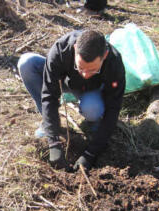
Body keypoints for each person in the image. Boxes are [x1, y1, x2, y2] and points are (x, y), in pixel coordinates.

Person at [17, 30, 126, 171]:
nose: (85, 74)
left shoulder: (114, 63)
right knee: (27, 63)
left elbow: (113, 108)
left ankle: (93, 121)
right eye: (80, 68)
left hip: (91, 90)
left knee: (92, 108)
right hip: (66, 81)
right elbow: (49, 95)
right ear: (75, 49)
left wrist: (91, 153)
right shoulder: (60, 49)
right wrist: (53, 143)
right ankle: (47, 121)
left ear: (104, 56)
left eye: (92, 70)